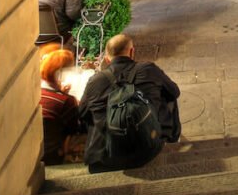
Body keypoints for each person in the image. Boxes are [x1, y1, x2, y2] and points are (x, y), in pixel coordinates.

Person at [78, 33, 182, 173]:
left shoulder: (95, 81)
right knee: (169, 96)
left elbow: (82, 113)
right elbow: (175, 92)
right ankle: (170, 137)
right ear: (132, 52)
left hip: (107, 155)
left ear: (107, 59)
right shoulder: (148, 69)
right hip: (148, 147)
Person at [40, 48, 83, 165]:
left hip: (33, 151)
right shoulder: (66, 101)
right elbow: (74, 128)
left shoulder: (34, 93)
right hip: (52, 155)